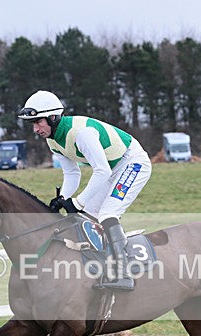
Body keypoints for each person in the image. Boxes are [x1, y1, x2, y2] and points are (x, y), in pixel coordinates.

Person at [17, 90, 152, 291]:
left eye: (38, 122)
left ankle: (124, 274)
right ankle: (104, 265)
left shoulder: (81, 133)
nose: (35, 128)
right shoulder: (52, 140)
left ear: (53, 117)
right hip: (112, 168)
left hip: (132, 162)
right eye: (32, 124)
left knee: (107, 214)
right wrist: (63, 197)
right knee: (88, 216)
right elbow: (72, 174)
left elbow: (102, 170)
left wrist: (77, 202)